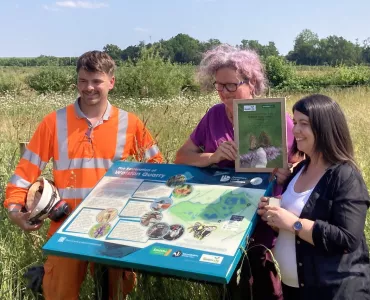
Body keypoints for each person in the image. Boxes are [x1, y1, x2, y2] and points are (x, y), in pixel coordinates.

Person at [4, 51, 163, 300]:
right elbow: (23, 176)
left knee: (116, 293)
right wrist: (15, 212)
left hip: (113, 228)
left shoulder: (130, 123)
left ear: (111, 82)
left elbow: (157, 168)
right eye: (82, 81)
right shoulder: (54, 122)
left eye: (96, 81)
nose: (88, 88)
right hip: (65, 229)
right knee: (59, 294)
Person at [174, 44, 296, 300]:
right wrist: (213, 157)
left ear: (251, 82)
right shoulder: (214, 115)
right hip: (220, 219)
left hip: (262, 222)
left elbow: (300, 166)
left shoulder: (277, 118)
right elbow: (181, 156)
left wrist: (287, 172)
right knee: (233, 290)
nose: (223, 93)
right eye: (218, 85)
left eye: (231, 85)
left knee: (265, 285)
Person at [257, 94, 370, 300]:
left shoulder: (345, 175)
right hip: (296, 289)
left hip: (333, 291)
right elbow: (290, 220)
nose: (295, 130)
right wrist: (274, 215)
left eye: (304, 123)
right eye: (295, 121)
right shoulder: (300, 168)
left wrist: (294, 224)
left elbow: (347, 239)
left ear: (325, 128)